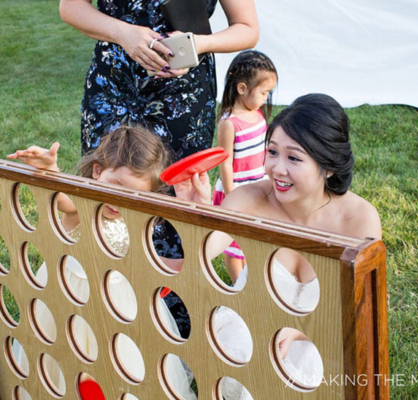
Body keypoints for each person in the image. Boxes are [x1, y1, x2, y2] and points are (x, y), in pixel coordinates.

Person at [7, 126, 209, 399]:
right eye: (116, 187)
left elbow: (149, 262)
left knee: (125, 369)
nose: (120, 201)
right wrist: (49, 171)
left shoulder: (138, 221)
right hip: (68, 299)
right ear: (97, 171)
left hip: (120, 306)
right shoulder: (83, 204)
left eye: (134, 195)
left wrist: (197, 209)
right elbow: (61, 199)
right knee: (62, 365)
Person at [206, 93, 382, 396]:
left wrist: (300, 331)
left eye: (294, 158)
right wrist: (192, 213)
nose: (277, 169)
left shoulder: (359, 220)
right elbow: (202, 250)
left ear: (328, 167)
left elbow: (362, 309)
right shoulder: (250, 199)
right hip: (249, 330)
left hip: (324, 337)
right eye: (272, 152)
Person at [59, 0, 260, 161]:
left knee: (178, 195)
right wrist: (123, 33)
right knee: (105, 186)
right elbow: (70, 7)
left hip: (184, 96)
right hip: (114, 87)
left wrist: (198, 44)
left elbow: (247, 28)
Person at [212, 50, 277, 285]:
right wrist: (233, 196)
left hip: (256, 187)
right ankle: (238, 282)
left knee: (251, 239)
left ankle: (249, 279)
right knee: (233, 244)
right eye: (263, 92)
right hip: (237, 191)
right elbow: (225, 162)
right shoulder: (230, 123)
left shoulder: (256, 114)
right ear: (242, 89)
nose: (265, 98)